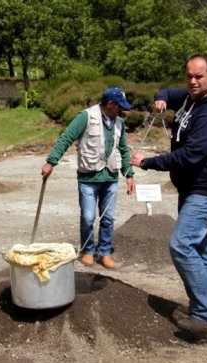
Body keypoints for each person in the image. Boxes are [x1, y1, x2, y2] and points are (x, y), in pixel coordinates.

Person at [130, 54, 207, 340]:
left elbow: (189, 156)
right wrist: (161, 99)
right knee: (199, 249)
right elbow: (167, 92)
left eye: (199, 76)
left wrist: (146, 162)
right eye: (189, 75)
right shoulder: (189, 96)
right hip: (190, 188)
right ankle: (204, 309)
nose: (193, 81)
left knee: (182, 244)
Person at [41, 87, 135, 269]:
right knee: (88, 217)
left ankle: (105, 253)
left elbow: (123, 149)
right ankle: (88, 251)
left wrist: (129, 174)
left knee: (108, 218)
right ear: (110, 104)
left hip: (111, 178)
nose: (121, 110)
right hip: (88, 180)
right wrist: (51, 162)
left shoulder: (119, 123)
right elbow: (66, 138)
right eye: (119, 106)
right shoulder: (85, 117)